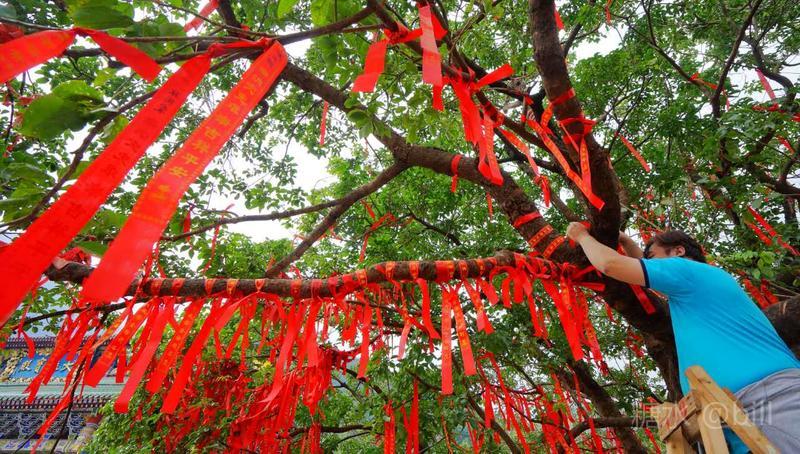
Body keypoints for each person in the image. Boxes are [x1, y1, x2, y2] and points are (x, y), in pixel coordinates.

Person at [565, 223, 800, 453]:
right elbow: (649, 274)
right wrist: (626, 241)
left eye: (652, 256)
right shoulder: (697, 287)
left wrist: (582, 236)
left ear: (679, 251)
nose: (649, 262)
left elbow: (610, 264)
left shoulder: (685, 270)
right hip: (741, 412)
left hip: (772, 398)